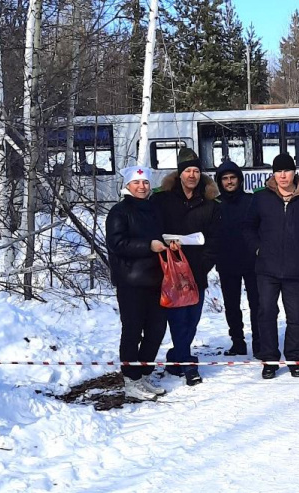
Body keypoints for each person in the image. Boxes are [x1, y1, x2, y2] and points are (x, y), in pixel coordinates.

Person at [247, 154, 299, 379]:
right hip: (267, 269)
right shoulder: (261, 198)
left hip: (297, 270)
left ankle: (294, 357)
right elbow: (249, 227)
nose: (283, 175)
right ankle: (269, 360)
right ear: (273, 173)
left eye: (287, 171)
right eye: (278, 171)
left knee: (298, 315)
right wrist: (258, 249)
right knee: (267, 313)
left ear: (294, 172)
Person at [150, 149, 219, 386]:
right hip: (172, 272)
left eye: (196, 171)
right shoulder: (162, 200)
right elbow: (153, 231)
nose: (192, 175)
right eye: (188, 170)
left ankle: (176, 356)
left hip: (197, 271)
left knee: (192, 319)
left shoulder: (210, 203)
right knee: (178, 320)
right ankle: (187, 362)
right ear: (180, 174)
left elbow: (214, 239)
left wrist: (205, 264)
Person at [105, 165, 171, 401]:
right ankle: (131, 379)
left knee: (156, 330)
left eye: (145, 183)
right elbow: (117, 244)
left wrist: (170, 243)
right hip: (131, 281)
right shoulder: (119, 212)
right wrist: (148, 246)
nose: (141, 187)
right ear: (128, 186)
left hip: (157, 279)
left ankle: (144, 374)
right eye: (136, 183)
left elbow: (161, 236)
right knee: (132, 330)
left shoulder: (155, 210)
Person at [212, 158, 258, 357]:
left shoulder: (251, 201)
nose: (229, 182)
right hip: (226, 262)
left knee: (257, 304)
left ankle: (259, 341)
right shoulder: (215, 205)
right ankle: (237, 341)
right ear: (220, 182)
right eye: (225, 178)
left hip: (252, 262)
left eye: (233, 178)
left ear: (239, 180)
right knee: (231, 306)